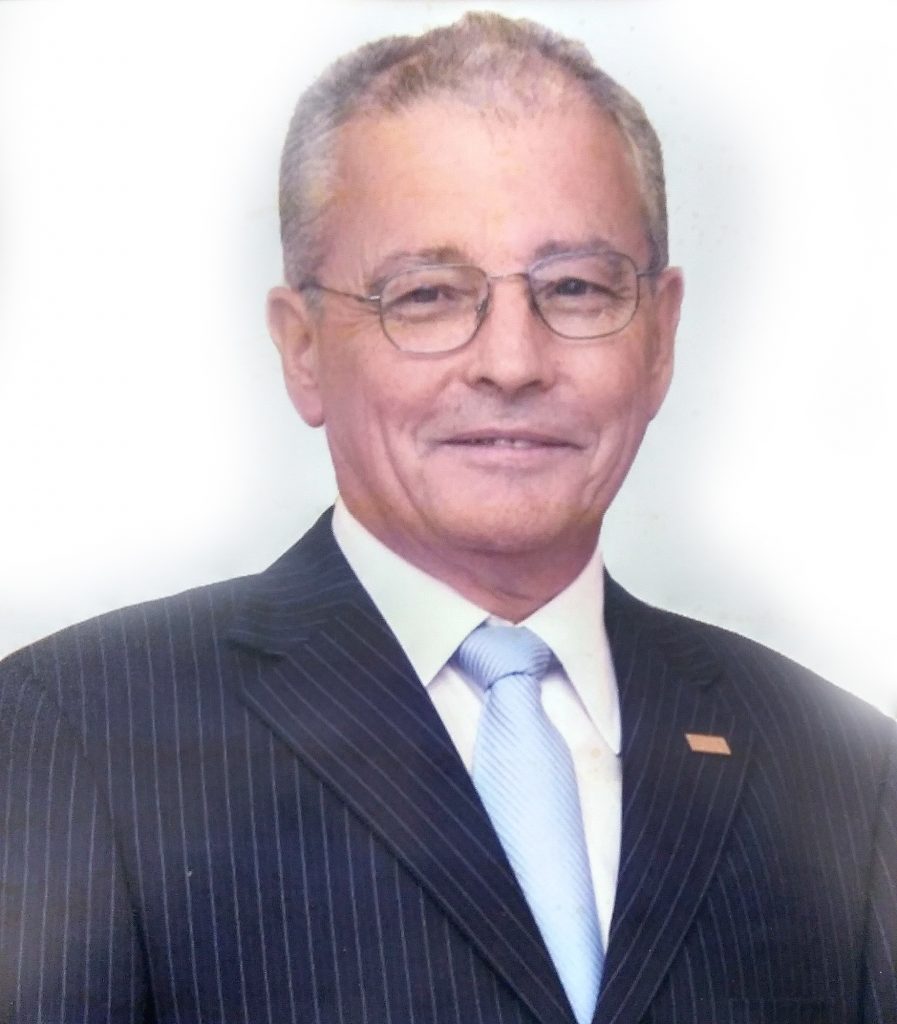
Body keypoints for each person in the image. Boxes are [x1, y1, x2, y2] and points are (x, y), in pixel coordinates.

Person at [1, 11, 894, 1024]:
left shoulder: (844, 780)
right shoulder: (76, 739)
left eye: (575, 288)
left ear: (659, 337)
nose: (511, 362)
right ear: (303, 348)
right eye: (425, 295)